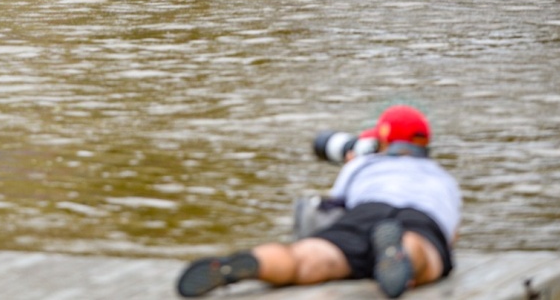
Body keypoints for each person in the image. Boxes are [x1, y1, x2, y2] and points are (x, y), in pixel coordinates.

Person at [175, 105, 460, 299]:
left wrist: (354, 163)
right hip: (420, 217)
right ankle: (403, 252)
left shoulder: (365, 165)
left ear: (383, 143)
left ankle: (252, 263)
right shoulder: (443, 179)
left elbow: (336, 206)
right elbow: (451, 236)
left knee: (307, 259)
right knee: (425, 255)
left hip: (365, 211)